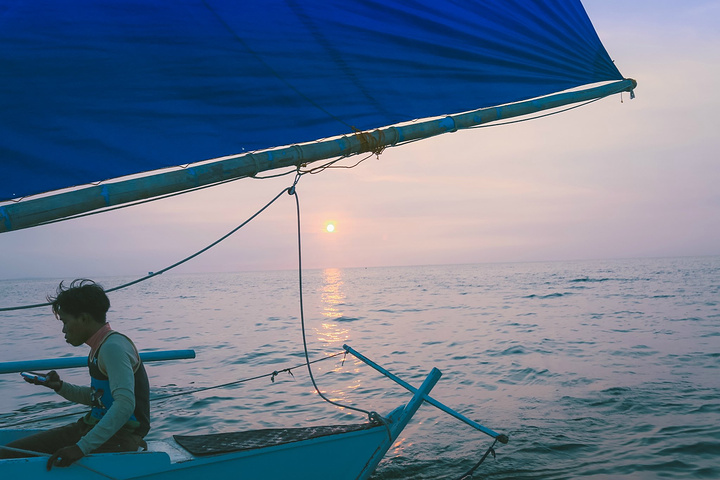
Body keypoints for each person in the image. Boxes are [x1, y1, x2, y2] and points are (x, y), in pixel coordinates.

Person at [0, 279, 150, 470]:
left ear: (84, 318)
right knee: (6, 451)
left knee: (8, 456)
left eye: (65, 321)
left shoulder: (113, 348)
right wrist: (60, 386)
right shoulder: (100, 347)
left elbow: (125, 405)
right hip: (93, 427)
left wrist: (81, 448)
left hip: (120, 436)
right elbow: (100, 399)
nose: (63, 329)